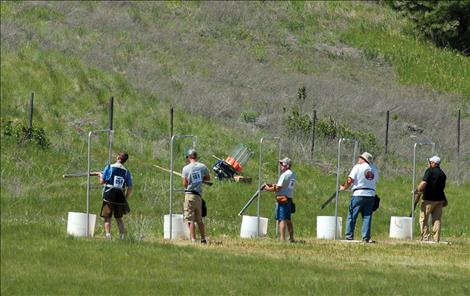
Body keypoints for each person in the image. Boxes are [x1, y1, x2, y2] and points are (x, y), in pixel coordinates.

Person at [339, 152, 379, 243]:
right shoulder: (375, 169)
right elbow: (375, 181)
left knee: (352, 216)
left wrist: (344, 187)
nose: (359, 159)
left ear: (363, 159)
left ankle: (349, 236)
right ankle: (366, 237)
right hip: (370, 195)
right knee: (367, 217)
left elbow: (350, 180)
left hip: (358, 194)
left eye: (360, 157)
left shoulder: (357, 167)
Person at [98, 152, 133, 240]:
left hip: (108, 196)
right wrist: (125, 198)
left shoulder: (109, 167)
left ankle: (108, 236)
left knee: (107, 217)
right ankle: (122, 237)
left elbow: (102, 182)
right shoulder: (126, 171)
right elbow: (130, 187)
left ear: (118, 157)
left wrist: (100, 175)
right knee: (119, 218)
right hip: (120, 197)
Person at [415, 156, 447, 242]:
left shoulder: (429, 171)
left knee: (423, 218)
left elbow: (424, 183)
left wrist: (417, 190)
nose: (429, 163)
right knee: (437, 220)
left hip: (428, 199)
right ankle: (436, 239)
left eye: (430, 162)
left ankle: (426, 238)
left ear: (434, 163)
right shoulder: (442, 174)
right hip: (439, 200)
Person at [264, 157, 296, 242]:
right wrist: (273, 185)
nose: (280, 165)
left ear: (287, 165)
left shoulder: (285, 174)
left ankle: (282, 239)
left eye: (282, 164)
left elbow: (278, 188)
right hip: (289, 199)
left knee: (281, 219)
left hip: (282, 199)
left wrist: (267, 188)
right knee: (288, 219)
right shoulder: (292, 174)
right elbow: (285, 186)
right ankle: (291, 238)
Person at [182, 149, 210, 243]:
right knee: (199, 220)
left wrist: (189, 181)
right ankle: (203, 239)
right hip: (198, 196)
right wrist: (200, 179)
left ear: (189, 157)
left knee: (190, 219)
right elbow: (207, 179)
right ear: (196, 157)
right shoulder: (203, 166)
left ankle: (193, 239)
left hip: (189, 195)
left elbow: (185, 184)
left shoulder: (185, 168)